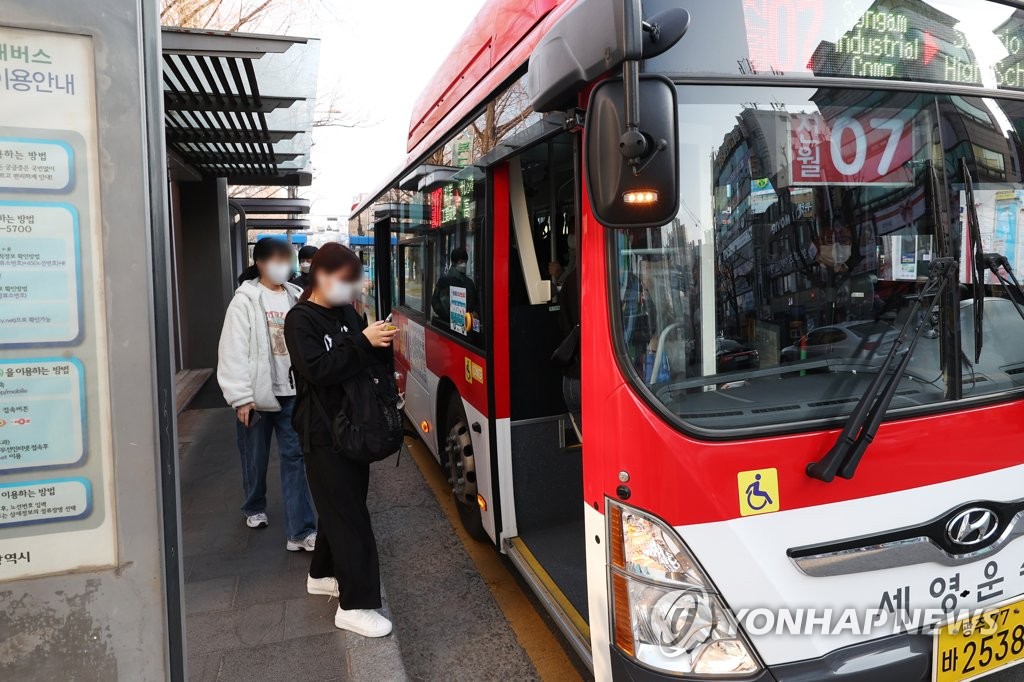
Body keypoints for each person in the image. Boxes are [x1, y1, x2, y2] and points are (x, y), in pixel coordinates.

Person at [284, 242, 398, 638]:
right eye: (346, 281)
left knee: (342, 509)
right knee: (350, 518)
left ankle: (321, 574)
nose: (351, 289)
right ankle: (355, 606)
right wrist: (363, 341)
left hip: (354, 428)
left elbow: (362, 361)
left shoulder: (348, 312)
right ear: (321, 276)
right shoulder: (300, 320)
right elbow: (318, 370)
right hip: (322, 433)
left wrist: (376, 337)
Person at [216, 237, 317, 552]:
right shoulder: (245, 300)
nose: (282, 265)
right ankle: (254, 504)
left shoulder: (296, 296)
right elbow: (233, 350)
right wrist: (240, 397)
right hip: (257, 395)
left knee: (295, 458)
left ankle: (299, 531)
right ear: (259, 263)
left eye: (285, 258)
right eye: (275, 259)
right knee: (255, 458)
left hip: (292, 394)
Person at [431, 247, 479, 332]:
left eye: (465, 262)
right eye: (461, 262)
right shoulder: (444, 281)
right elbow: (435, 302)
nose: (464, 264)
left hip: (465, 328)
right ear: (454, 262)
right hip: (448, 328)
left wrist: (475, 322)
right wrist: (450, 317)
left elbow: (475, 306)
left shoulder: (469, 283)